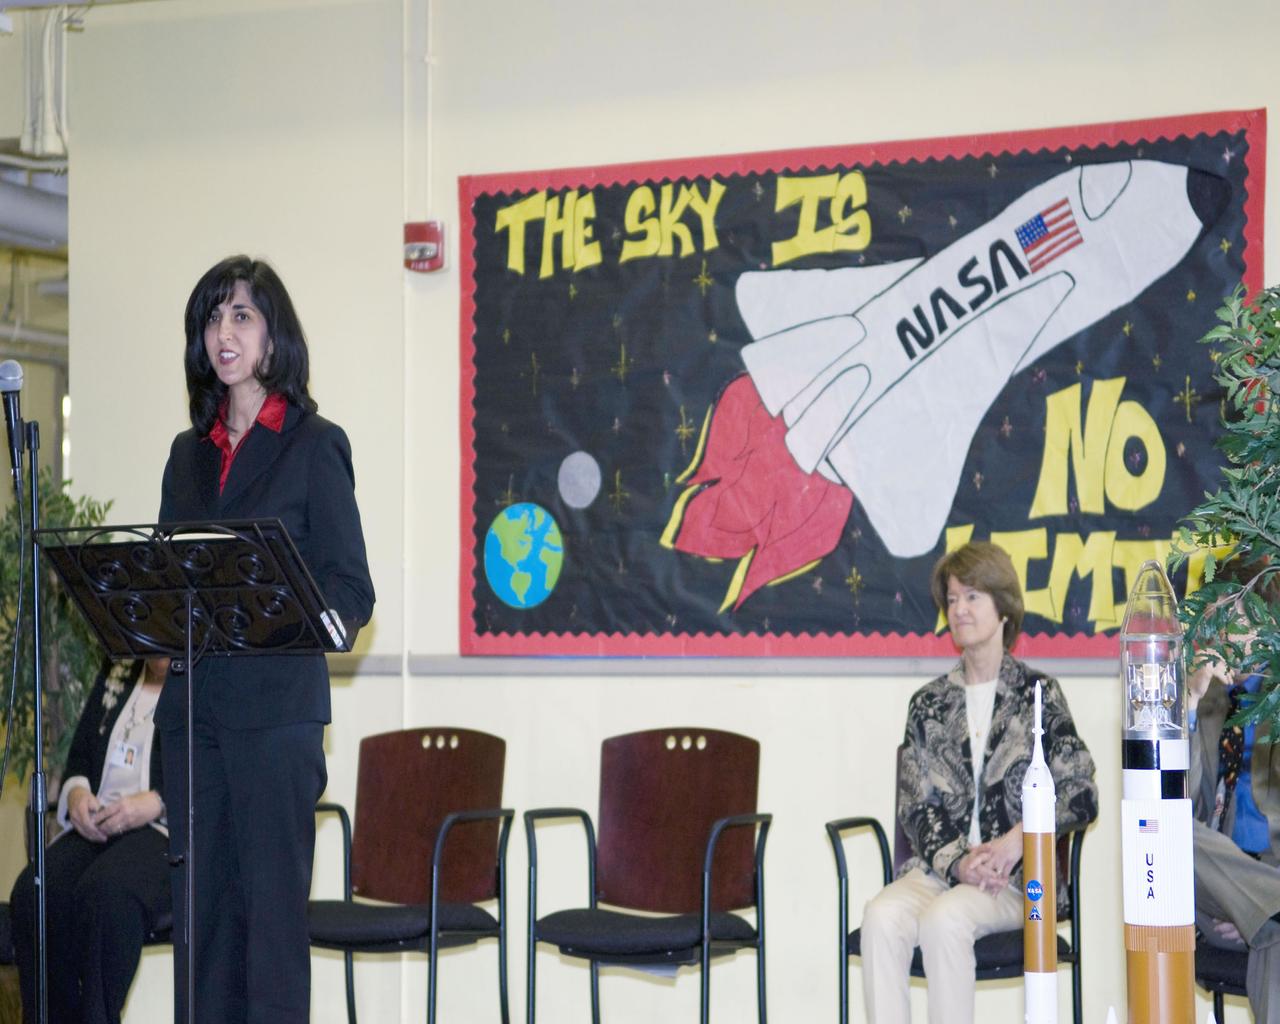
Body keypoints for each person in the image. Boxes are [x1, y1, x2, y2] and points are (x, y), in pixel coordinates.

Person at [157, 255, 375, 1023]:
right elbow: (165, 580)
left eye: (241, 315)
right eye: (212, 318)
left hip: (276, 720)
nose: (224, 332)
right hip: (193, 725)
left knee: (270, 932)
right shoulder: (187, 456)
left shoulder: (317, 444)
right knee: (204, 934)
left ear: (274, 336)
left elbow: (352, 591)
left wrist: (286, 613)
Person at [860, 541, 1098, 1024]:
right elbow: (916, 805)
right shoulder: (928, 704)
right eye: (952, 599)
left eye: (972, 597)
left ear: (1003, 608)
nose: (959, 609)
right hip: (941, 871)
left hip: (1017, 880)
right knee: (880, 916)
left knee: (946, 920)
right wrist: (958, 863)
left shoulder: (1039, 695)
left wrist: (1016, 843)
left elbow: (1081, 790)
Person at [9, 656, 171, 1024]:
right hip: (98, 824)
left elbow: (212, 772)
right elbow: (79, 757)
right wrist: (76, 794)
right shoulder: (117, 670)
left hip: (159, 828)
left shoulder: (204, 680)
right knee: (34, 893)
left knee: (106, 893)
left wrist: (158, 802)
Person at [1188, 559, 1280, 1023]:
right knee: (1169, 832)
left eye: (1233, 621)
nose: (1221, 636)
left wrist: (1254, 906)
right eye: (1213, 621)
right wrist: (1187, 701)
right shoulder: (1205, 701)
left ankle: (1268, 908)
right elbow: (1171, 804)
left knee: (1273, 931)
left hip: (1270, 878)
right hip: (1217, 896)